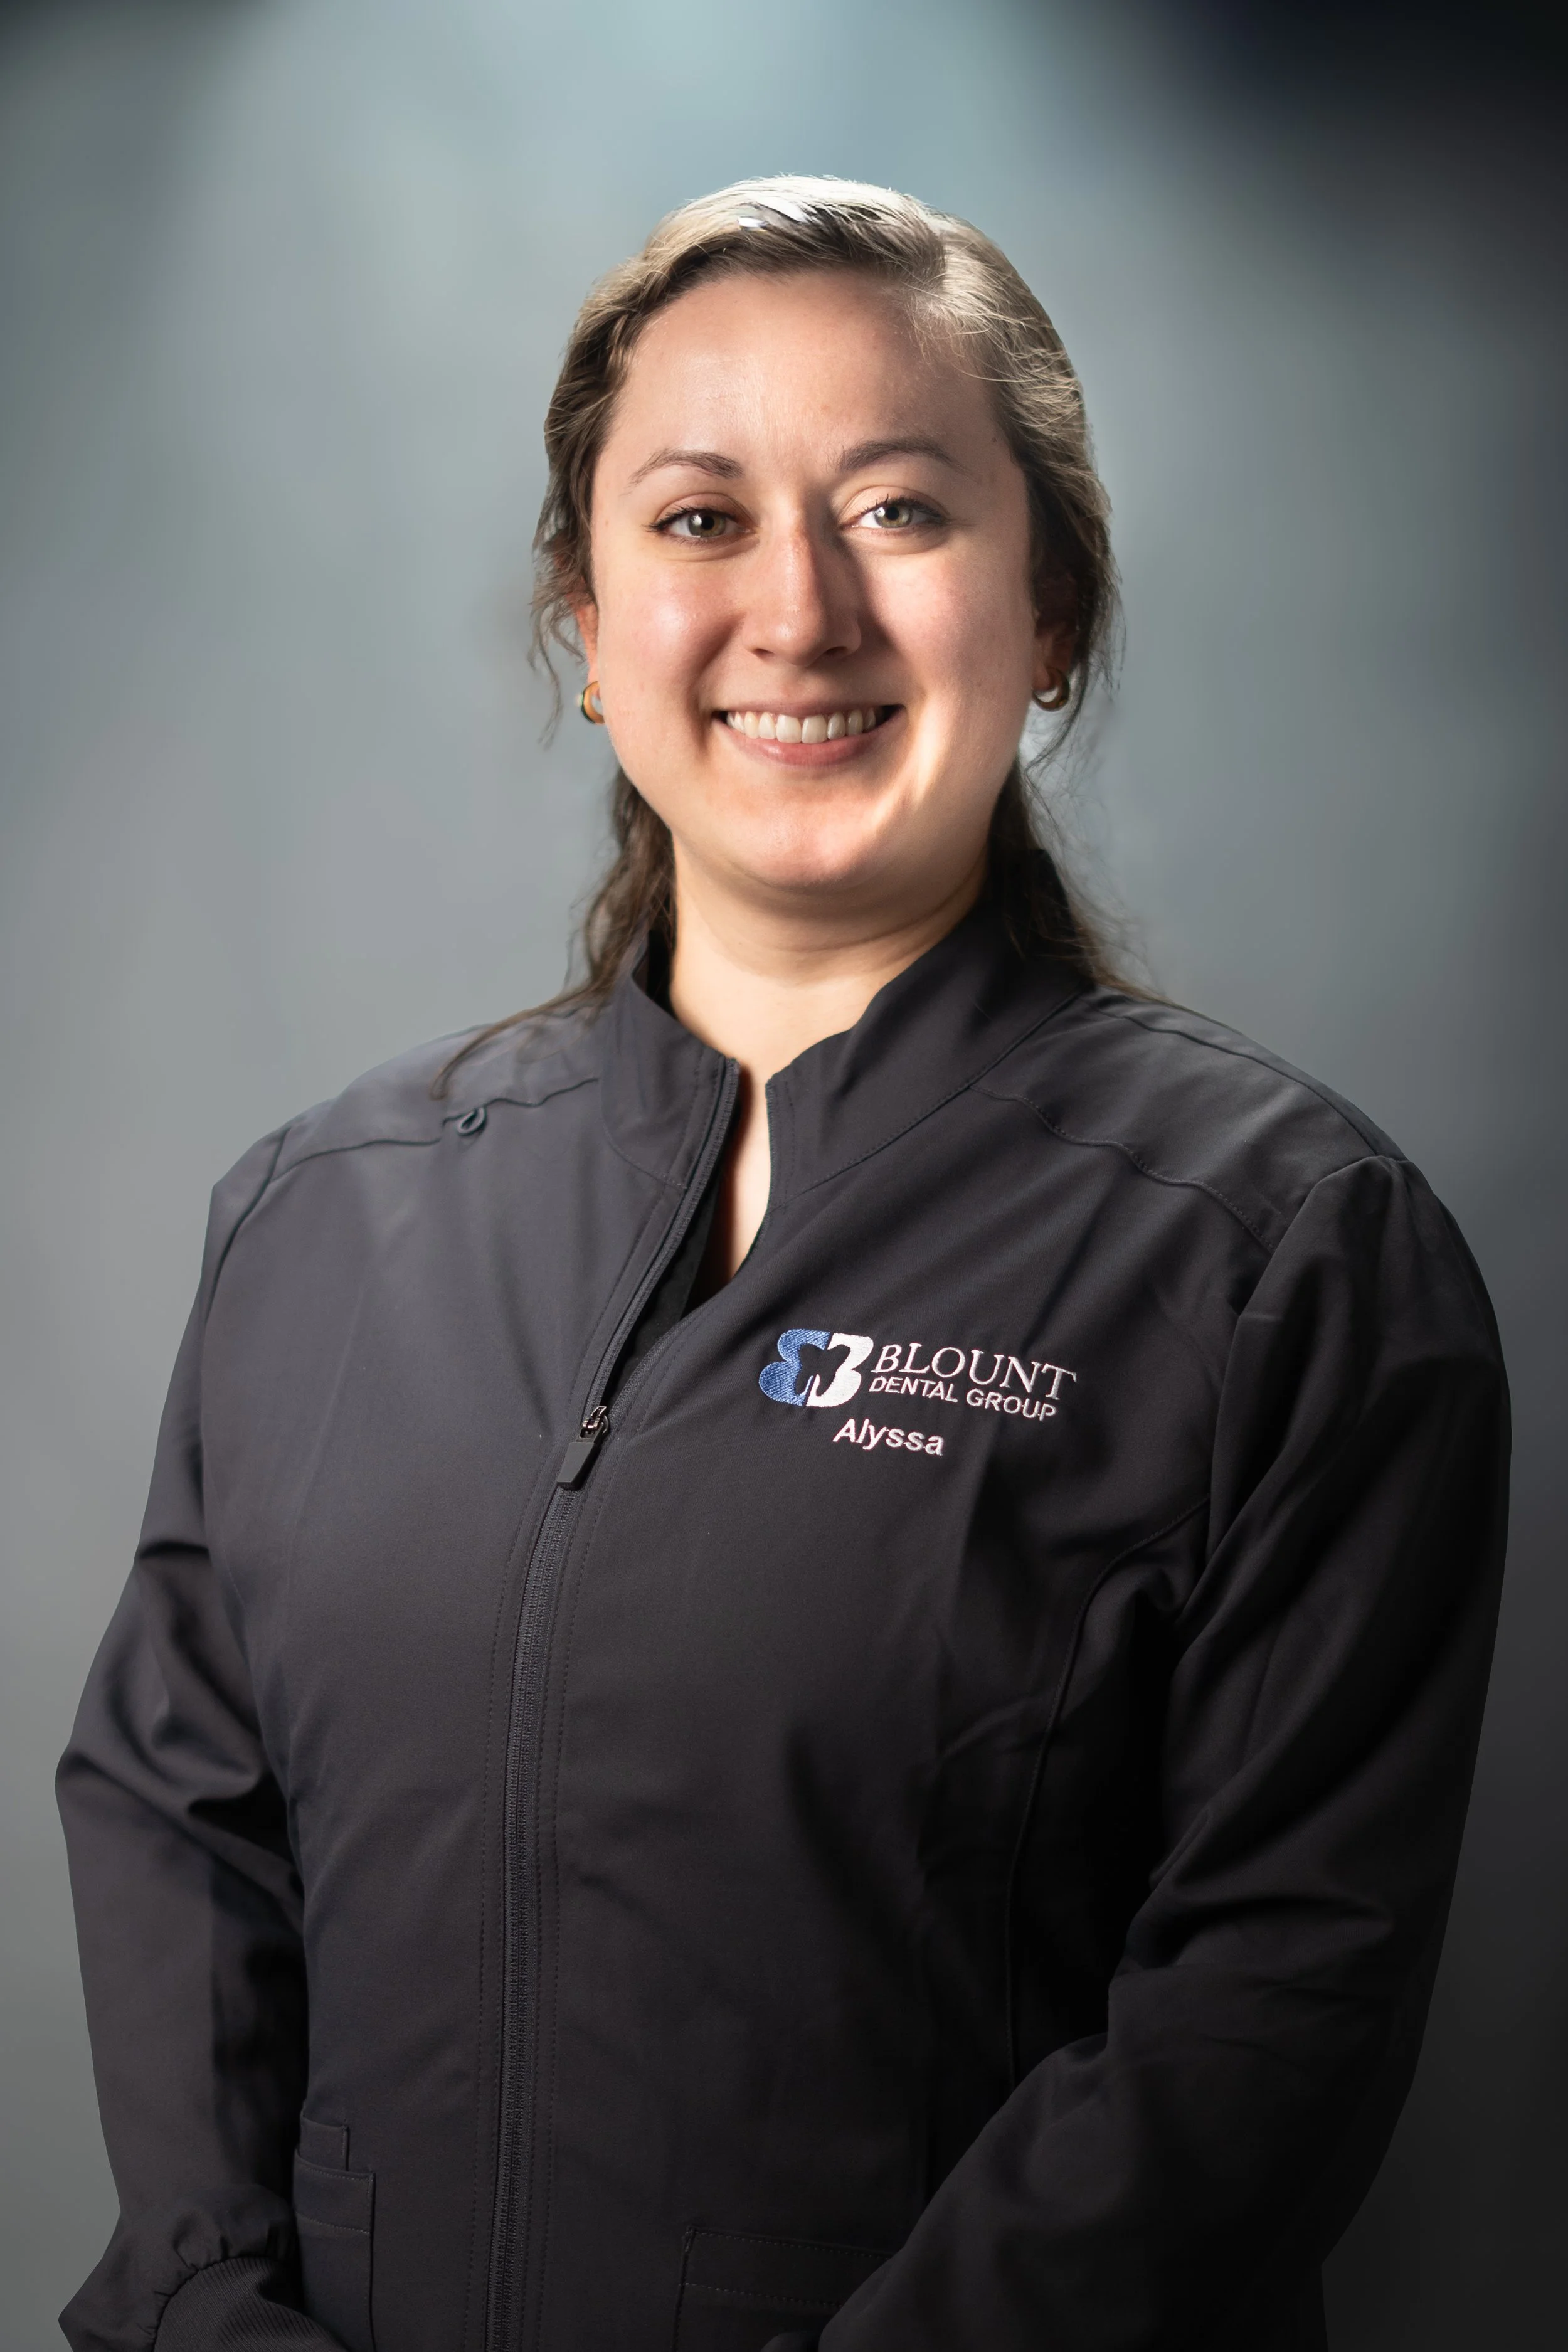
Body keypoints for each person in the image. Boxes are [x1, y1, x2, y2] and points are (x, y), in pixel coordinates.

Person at [58, 177, 1508, 2352]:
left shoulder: (1282, 1251)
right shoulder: (321, 1209)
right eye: (699, 518)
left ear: (1055, 614)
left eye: (901, 511)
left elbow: (1268, 2001)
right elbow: (178, 1822)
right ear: (582, 620)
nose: (797, 613)